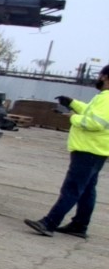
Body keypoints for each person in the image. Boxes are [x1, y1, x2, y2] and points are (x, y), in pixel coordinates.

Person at [25, 65, 109, 239]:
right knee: (87, 189)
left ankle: (49, 223)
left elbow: (95, 123)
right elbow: (91, 112)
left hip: (89, 150)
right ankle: (79, 225)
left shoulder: (107, 98)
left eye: (100, 75)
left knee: (72, 188)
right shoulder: (103, 98)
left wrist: (71, 117)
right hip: (97, 150)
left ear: (106, 77)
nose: (98, 78)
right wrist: (72, 103)